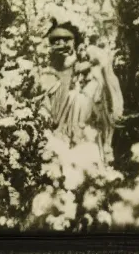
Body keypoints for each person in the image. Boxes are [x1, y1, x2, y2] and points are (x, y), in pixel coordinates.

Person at [36, 19, 124, 162]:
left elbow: (100, 93)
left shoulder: (88, 69)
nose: (61, 44)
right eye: (56, 41)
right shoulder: (48, 69)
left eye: (66, 40)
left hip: (83, 127)